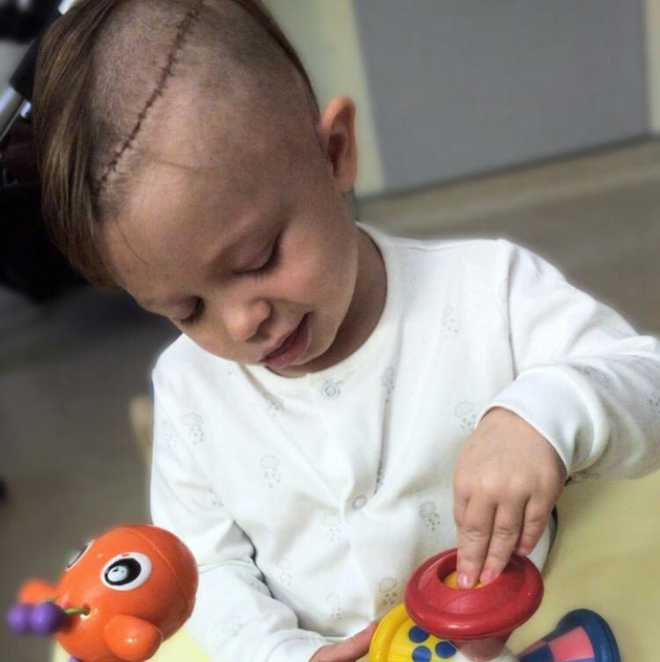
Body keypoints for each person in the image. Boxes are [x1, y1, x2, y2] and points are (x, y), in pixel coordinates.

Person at [32, 1, 660, 661]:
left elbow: (646, 381)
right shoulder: (189, 387)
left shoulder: (489, 291)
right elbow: (206, 569)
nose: (242, 322)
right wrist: (281, 653)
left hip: (523, 622)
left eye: (257, 261)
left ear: (334, 154)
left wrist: (544, 412)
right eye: (185, 310)